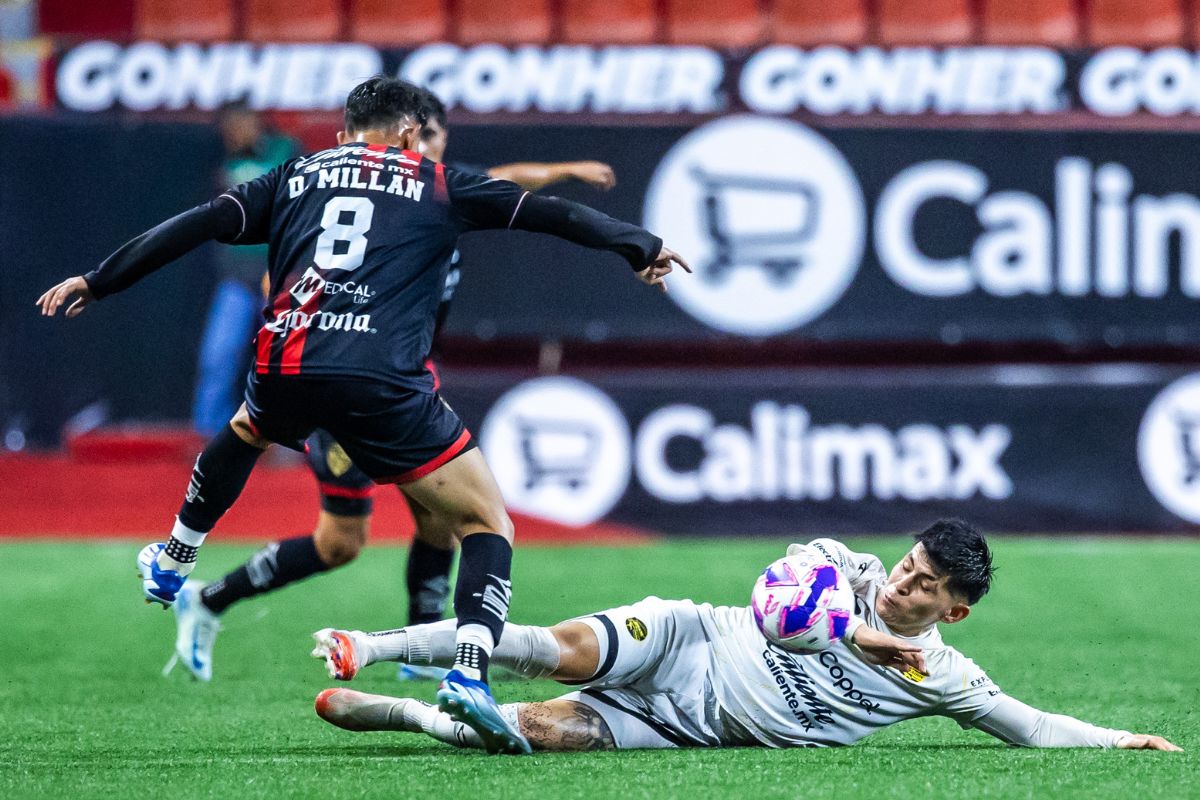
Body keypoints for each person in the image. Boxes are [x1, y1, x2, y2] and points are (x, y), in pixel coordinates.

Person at [36, 76, 689, 756]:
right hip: (382, 378)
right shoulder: (435, 181)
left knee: (247, 431)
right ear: (409, 134)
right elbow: (548, 215)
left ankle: (175, 556)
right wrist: (638, 245)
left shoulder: (291, 175)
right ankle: (468, 673)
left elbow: (195, 225)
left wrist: (100, 279)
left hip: (288, 364)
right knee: (483, 520)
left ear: (346, 131)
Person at [172, 88, 624, 684]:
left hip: (401, 376)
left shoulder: (443, 190)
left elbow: (513, 179)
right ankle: (210, 598)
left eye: (439, 142)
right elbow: (285, 276)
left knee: (442, 517)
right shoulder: (382, 197)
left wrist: (565, 171)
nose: (432, 152)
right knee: (343, 542)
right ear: (411, 136)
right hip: (346, 376)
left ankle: (423, 650)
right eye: (427, 139)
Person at [310, 519, 1181, 753]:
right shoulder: (841, 562)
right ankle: (373, 644)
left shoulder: (942, 674)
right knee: (552, 645)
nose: (905, 582)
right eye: (911, 564)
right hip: (687, 640)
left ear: (955, 611)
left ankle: (400, 713)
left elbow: (1030, 725)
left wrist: (1120, 738)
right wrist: (865, 637)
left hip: (690, 725)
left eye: (926, 587)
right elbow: (775, 614)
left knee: (522, 734)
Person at [193, 104, 298, 436]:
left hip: (279, 278)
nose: (233, 135)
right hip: (237, 279)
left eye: (238, 126)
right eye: (228, 130)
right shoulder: (223, 163)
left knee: (286, 360)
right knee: (218, 357)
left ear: (254, 123)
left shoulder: (285, 150)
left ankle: (287, 435)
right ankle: (211, 438)